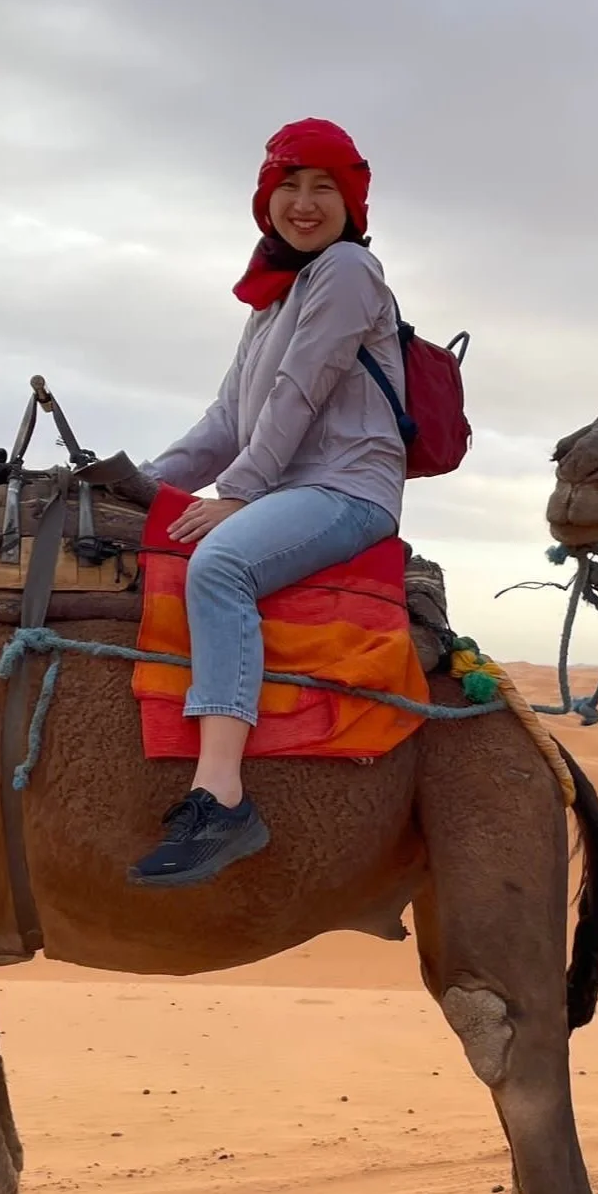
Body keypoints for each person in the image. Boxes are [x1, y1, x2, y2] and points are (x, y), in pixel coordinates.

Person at [130, 118, 407, 887]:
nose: (305, 203)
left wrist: (239, 495)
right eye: (290, 185)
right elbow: (226, 422)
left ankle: (220, 799)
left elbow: (301, 388)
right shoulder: (270, 301)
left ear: (353, 205)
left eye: (325, 187)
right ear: (266, 197)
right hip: (287, 488)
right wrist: (135, 482)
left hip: (346, 488)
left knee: (220, 565)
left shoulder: (348, 270)